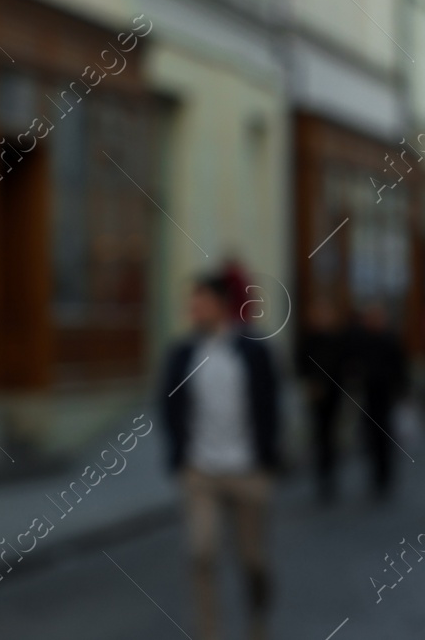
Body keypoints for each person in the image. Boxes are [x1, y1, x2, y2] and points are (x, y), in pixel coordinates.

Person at [160, 271, 279, 640]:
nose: (195, 310)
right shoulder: (183, 354)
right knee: (201, 554)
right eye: (192, 304)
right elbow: (169, 406)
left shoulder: (253, 351)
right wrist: (179, 455)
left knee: (252, 560)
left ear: (222, 306)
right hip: (201, 472)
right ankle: (208, 632)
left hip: (247, 470)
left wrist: (269, 459)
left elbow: (270, 407)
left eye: (202, 302)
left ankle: (258, 620)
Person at [351, 300, 408, 498]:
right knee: (370, 434)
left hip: (385, 394)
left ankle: (385, 475)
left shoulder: (389, 339)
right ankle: (376, 474)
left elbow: (400, 366)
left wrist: (399, 389)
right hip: (369, 394)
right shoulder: (363, 339)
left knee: (385, 435)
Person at [299, 294, 350, 503]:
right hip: (316, 393)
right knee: (319, 435)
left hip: (334, 392)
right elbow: (301, 363)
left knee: (330, 434)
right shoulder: (309, 339)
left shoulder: (337, 338)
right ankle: (323, 476)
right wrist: (311, 383)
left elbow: (343, 365)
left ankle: (330, 474)